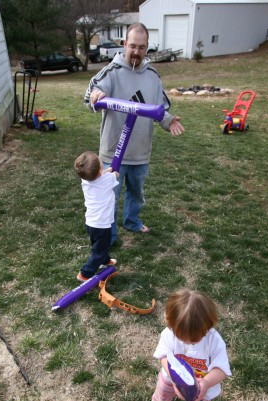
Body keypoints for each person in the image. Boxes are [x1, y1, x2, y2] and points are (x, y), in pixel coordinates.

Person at [85, 22, 185, 244]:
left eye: (141, 47)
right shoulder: (111, 72)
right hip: (113, 153)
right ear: (124, 45)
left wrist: (169, 121)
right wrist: (97, 95)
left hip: (140, 150)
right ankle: (108, 237)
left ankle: (132, 221)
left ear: (147, 47)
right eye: (132, 46)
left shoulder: (152, 76)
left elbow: (161, 109)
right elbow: (90, 96)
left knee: (136, 193)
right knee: (110, 197)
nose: (136, 52)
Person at [147, 289, 231, 401]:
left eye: (194, 341)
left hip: (201, 382)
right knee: (163, 389)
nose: (187, 343)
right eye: (181, 338)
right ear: (170, 323)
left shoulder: (214, 341)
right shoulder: (169, 334)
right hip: (170, 377)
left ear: (208, 327)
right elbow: (163, 356)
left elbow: (221, 369)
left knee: (202, 398)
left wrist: (206, 383)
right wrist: (174, 379)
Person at [74, 151, 119, 282]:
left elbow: (103, 175)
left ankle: (105, 260)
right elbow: (116, 174)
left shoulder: (85, 180)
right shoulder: (108, 179)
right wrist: (112, 170)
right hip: (102, 224)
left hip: (91, 222)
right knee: (100, 248)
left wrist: (108, 170)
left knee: (98, 245)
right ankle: (85, 273)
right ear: (100, 169)